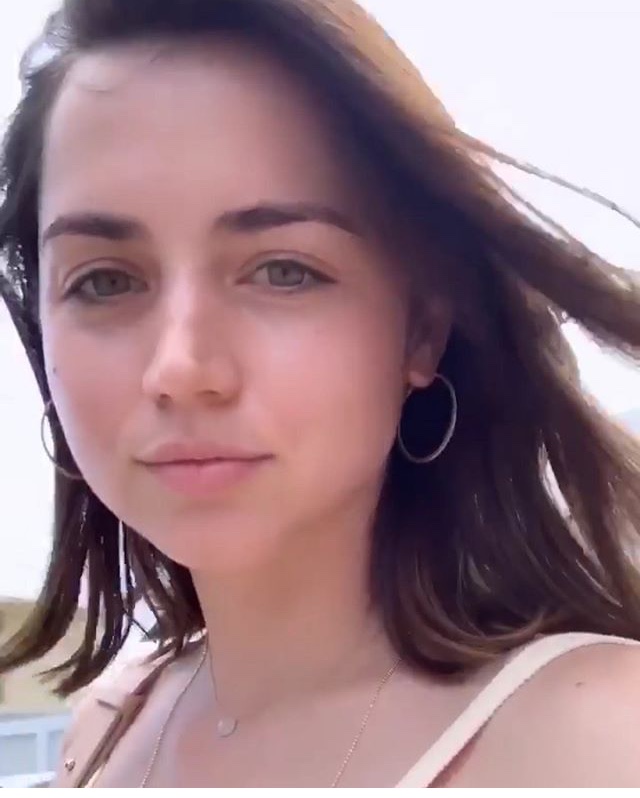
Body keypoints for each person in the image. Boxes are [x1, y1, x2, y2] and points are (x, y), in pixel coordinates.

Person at [1, 0, 639, 788]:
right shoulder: (109, 725)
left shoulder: (594, 740)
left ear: (421, 330)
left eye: (284, 270)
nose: (180, 366)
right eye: (105, 281)